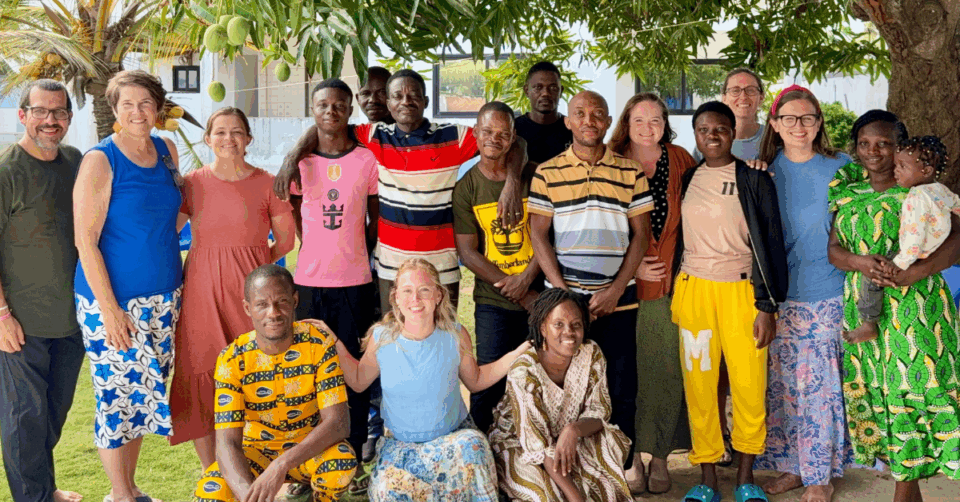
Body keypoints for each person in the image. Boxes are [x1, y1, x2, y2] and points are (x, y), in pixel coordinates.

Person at [274, 69, 528, 312]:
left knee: (446, 341)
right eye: (397, 96)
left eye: (414, 95)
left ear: (426, 100)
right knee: (392, 341)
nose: (406, 102)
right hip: (391, 267)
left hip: (441, 264)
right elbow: (325, 128)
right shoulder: (374, 136)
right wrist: (291, 159)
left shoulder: (454, 136)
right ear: (388, 102)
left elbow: (516, 142)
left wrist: (513, 184)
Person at [528, 90, 652, 487]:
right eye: (580, 113)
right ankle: (565, 467)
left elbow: (641, 234)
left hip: (618, 300)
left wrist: (616, 289)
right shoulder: (547, 172)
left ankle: (623, 464)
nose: (589, 120)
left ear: (607, 121)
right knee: (565, 385)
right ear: (568, 121)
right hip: (566, 303)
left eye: (598, 114)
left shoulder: (631, 172)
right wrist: (564, 297)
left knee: (620, 383)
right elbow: (538, 234)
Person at [828, 129, 960, 502]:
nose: (875, 151)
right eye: (865, 144)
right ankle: (908, 491)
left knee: (917, 390)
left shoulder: (922, 189)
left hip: (918, 308)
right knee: (882, 395)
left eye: (885, 143)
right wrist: (860, 262)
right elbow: (834, 249)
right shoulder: (847, 192)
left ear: (899, 147)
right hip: (867, 307)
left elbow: (957, 238)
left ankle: (904, 493)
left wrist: (914, 272)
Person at [332, 258, 531, 501]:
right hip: (402, 447)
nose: (415, 299)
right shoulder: (382, 338)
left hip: (453, 438)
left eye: (424, 290)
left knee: (475, 448)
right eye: (407, 291)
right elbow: (359, 381)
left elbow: (476, 380)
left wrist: (519, 352)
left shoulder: (454, 335)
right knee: (386, 490)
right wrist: (335, 343)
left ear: (438, 295)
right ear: (395, 297)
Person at [73, 70, 184, 502]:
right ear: (115, 110)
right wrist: (110, 309)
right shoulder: (101, 159)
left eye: (146, 103)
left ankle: (130, 489)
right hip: (113, 301)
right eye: (127, 104)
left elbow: (176, 211)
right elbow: (85, 240)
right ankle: (121, 495)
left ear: (158, 108)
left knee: (142, 398)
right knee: (116, 399)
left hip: (163, 298)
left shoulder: (167, 149)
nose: (137, 112)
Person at [673, 101, 788, 502]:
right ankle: (706, 479)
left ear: (732, 132)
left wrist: (768, 306)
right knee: (700, 388)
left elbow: (772, 243)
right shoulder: (689, 178)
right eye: (704, 130)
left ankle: (744, 478)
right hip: (696, 293)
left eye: (721, 128)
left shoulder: (753, 178)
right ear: (696, 134)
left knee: (748, 387)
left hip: (742, 294)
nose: (713, 136)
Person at [169, 107, 295, 467]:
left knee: (257, 374)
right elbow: (167, 233)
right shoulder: (191, 184)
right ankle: (213, 473)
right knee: (203, 374)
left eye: (236, 132)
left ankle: (260, 464)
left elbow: (285, 243)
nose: (228, 139)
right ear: (207, 139)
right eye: (220, 132)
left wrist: (252, 265)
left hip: (251, 296)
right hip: (201, 294)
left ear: (249, 139)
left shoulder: (269, 183)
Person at [753, 85, 853, 502]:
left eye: (808, 118)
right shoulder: (762, 172)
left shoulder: (843, 167)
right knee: (787, 387)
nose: (799, 126)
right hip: (781, 296)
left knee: (821, 387)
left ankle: (819, 476)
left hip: (829, 290)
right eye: (789, 118)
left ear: (819, 123)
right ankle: (794, 467)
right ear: (774, 124)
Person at [192, 265, 357, 502]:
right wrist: (249, 497)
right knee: (211, 492)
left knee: (339, 465)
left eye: (281, 301)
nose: (273, 313)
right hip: (256, 453)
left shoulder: (318, 343)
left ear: (295, 300)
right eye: (262, 305)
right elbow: (227, 442)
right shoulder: (232, 358)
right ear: (247, 308)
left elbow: (338, 423)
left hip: (308, 450)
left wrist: (281, 465)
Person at [287, 78, 379, 494]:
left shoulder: (366, 158)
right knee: (306, 372)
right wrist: (311, 245)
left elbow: (374, 217)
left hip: (355, 283)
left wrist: (358, 252)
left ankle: (355, 456)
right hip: (307, 283)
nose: (331, 111)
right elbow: (291, 209)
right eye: (323, 104)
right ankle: (303, 465)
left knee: (352, 373)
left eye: (339, 104)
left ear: (350, 109)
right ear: (313, 108)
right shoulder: (300, 163)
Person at [607, 92, 696, 494]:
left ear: (666, 123)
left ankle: (660, 455)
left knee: (666, 371)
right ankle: (631, 459)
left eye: (655, 120)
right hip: (623, 289)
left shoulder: (679, 160)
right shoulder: (608, 161)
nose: (647, 128)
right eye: (639, 120)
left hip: (672, 286)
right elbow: (598, 223)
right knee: (628, 376)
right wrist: (632, 262)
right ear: (626, 122)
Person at [0, 79, 84, 502]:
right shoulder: (7, 171)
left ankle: (44, 489)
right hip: (21, 321)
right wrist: (1, 316)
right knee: (24, 418)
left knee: (52, 414)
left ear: (69, 117)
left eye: (60, 112)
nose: (51, 120)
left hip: (72, 319)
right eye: (41, 111)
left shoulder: (75, 161)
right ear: (23, 116)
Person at [489, 288, 632, 502]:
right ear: (542, 328)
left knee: (609, 449)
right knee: (548, 496)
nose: (569, 333)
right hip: (521, 445)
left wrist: (572, 430)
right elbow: (537, 445)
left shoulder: (591, 354)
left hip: (570, 437)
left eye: (576, 325)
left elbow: (599, 412)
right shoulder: (524, 371)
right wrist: (576, 499)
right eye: (558, 324)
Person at [453, 101, 541, 433]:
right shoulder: (466, 188)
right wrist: (515, 289)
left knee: (534, 380)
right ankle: (482, 454)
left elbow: (548, 235)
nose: (495, 139)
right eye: (488, 131)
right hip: (493, 302)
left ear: (513, 137)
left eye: (503, 133)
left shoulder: (532, 175)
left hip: (538, 294)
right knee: (488, 384)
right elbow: (468, 251)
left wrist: (530, 278)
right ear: (475, 134)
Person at [845, 136, 960, 342]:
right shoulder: (942, 190)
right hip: (935, 250)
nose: (896, 170)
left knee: (873, 275)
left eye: (903, 166)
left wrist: (897, 264)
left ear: (925, 171)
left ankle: (869, 323)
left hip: (914, 252)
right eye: (896, 165)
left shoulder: (916, 196)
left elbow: (913, 237)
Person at [693, 68, 766, 162]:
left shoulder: (774, 138)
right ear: (724, 98)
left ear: (761, 97)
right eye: (735, 91)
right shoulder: (710, 141)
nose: (743, 97)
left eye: (750, 90)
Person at [515, 61, 573, 165]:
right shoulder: (514, 129)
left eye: (553, 88)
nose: (545, 93)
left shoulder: (573, 129)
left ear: (561, 91)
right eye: (538, 87)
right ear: (526, 91)